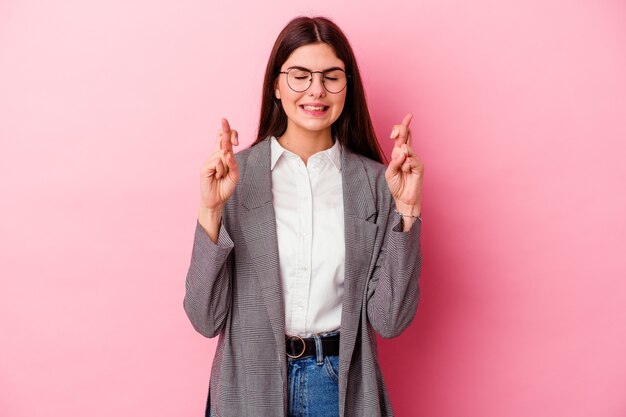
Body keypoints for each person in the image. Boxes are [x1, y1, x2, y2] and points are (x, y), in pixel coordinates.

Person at [184, 16, 423, 417]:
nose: (316, 89)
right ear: (276, 86)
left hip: (338, 386)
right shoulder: (235, 177)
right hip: (250, 387)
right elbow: (205, 319)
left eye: (331, 76)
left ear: (347, 87)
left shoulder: (375, 183)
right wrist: (210, 209)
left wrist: (408, 211)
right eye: (300, 75)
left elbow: (390, 320)